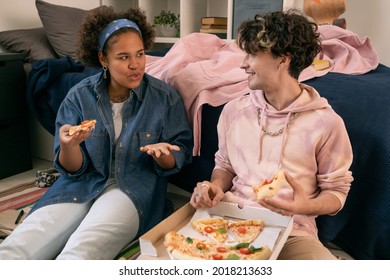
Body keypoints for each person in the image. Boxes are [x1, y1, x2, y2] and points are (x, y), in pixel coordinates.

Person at [0, 6, 192, 260]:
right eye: (123, 57)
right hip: (81, 182)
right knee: (19, 245)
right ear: (103, 59)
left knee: (81, 250)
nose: (135, 65)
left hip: (132, 188)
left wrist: (163, 155)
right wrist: (70, 146)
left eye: (140, 54)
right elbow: (72, 170)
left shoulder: (164, 97)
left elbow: (180, 154)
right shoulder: (79, 96)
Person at [190, 10, 353, 260]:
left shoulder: (327, 122)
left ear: (282, 59)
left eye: (252, 54)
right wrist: (213, 186)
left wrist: (306, 206)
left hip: (292, 231)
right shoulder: (234, 110)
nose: (243, 63)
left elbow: (336, 193)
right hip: (230, 220)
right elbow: (224, 166)